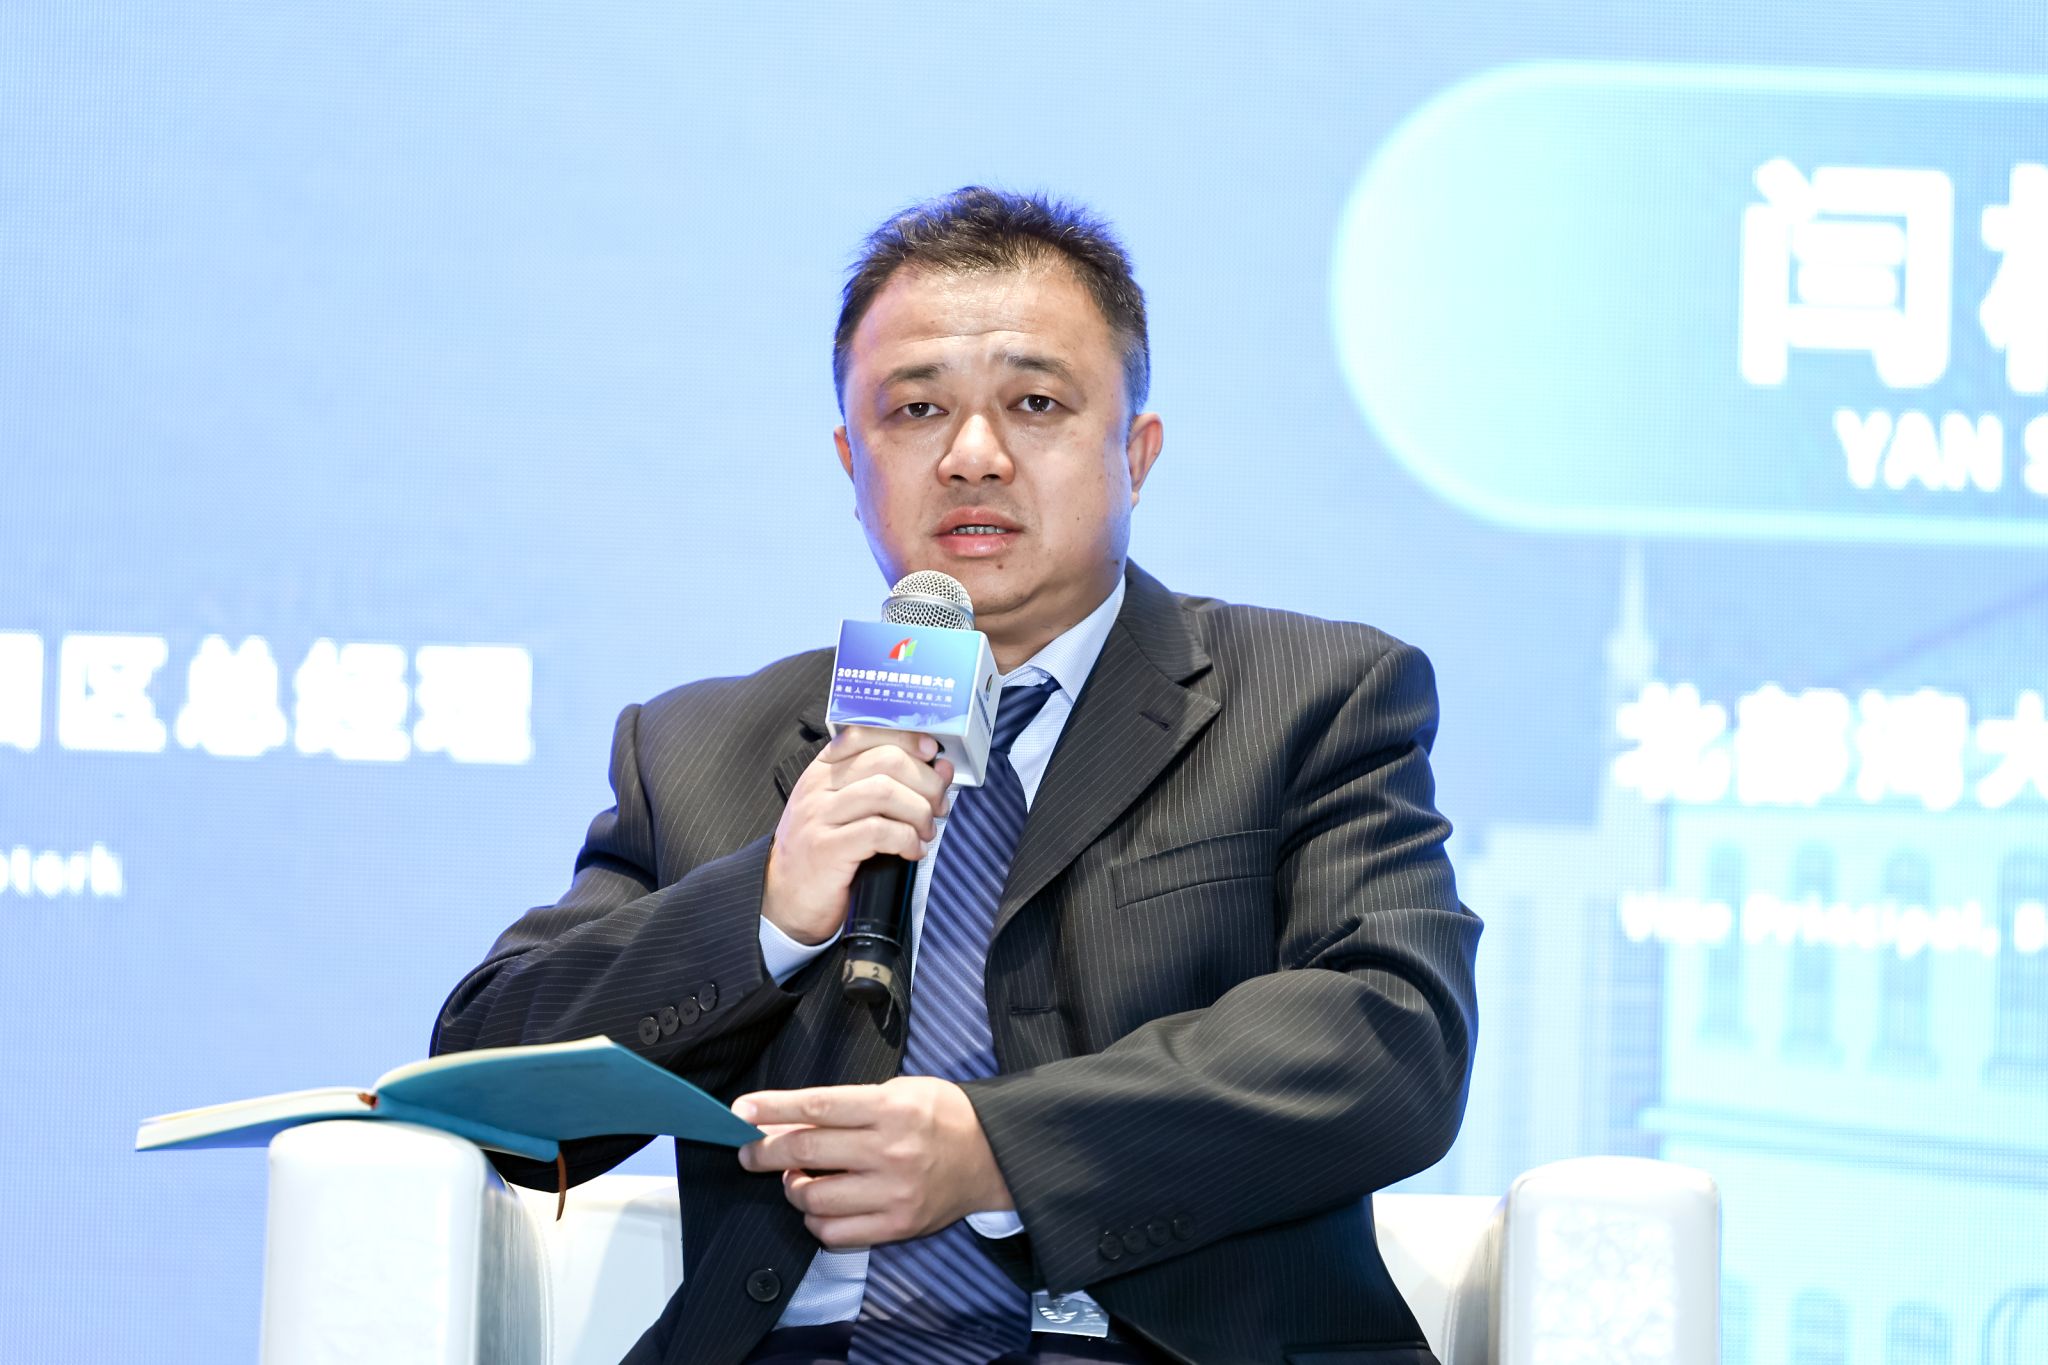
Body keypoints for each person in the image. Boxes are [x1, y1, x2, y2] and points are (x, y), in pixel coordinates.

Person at [432, 187, 1481, 1365]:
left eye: (1034, 404)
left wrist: (998, 1151)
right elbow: (490, 1097)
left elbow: (1392, 1038)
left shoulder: (1311, 696)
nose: (971, 455)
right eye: (915, 409)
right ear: (851, 461)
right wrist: (764, 913)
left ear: (1134, 453)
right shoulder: (699, 746)